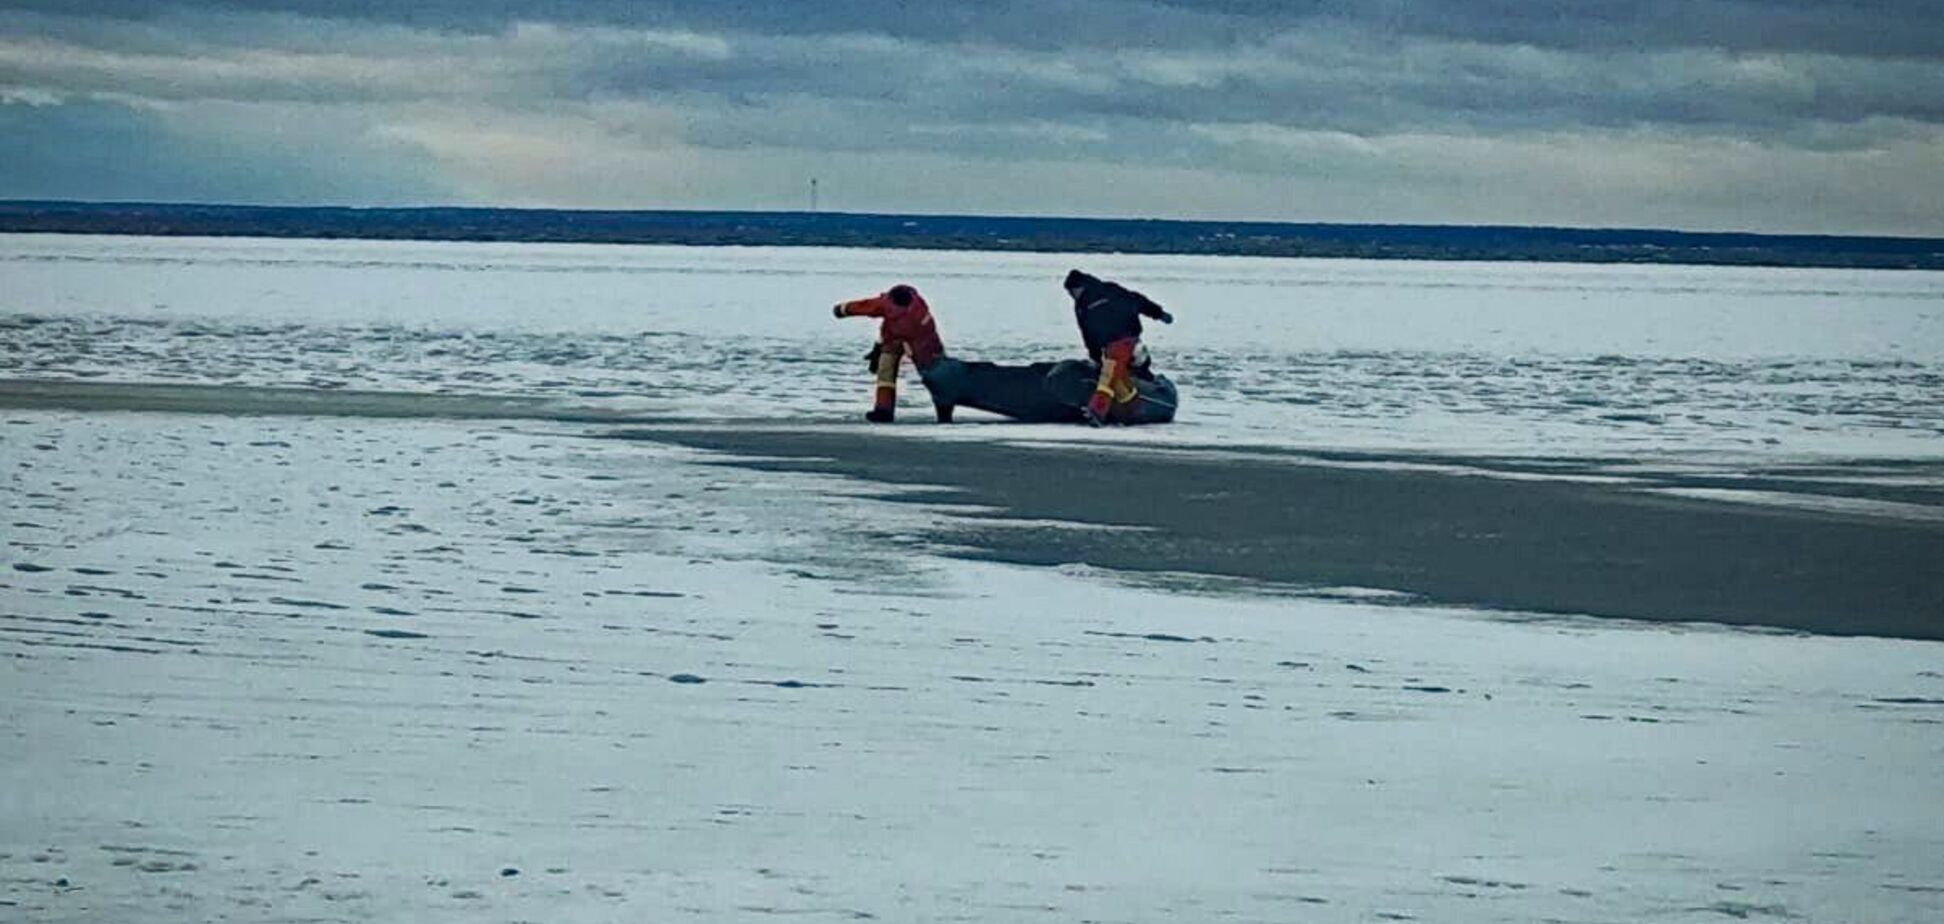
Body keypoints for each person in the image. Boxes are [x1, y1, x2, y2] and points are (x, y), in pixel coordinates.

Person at [1062, 269, 1173, 426]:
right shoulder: (1110, 289)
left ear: (1079, 287)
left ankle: (1098, 410)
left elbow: (1087, 333)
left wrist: (1095, 357)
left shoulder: (1083, 306)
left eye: (1071, 292)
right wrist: (1159, 313)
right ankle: (1132, 408)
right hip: (1126, 341)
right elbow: (1137, 300)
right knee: (1118, 377)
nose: (1071, 296)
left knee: (1108, 375)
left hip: (1121, 342)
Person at [832, 283, 950, 423]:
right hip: (902, 341)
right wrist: (843, 309)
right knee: (889, 372)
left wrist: (841, 310)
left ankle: (943, 410)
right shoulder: (913, 304)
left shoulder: (894, 307)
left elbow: (866, 306)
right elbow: (867, 306)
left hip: (918, 343)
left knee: (932, 376)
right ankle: (884, 411)